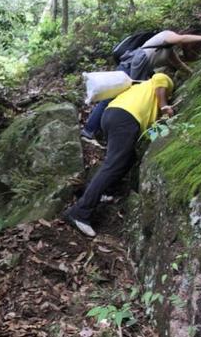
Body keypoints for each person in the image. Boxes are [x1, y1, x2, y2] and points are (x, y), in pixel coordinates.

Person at [62, 73, 175, 237]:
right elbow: (160, 80)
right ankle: (79, 213)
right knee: (113, 165)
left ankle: (105, 190)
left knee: (127, 159)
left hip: (112, 115)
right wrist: (165, 107)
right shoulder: (161, 80)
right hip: (126, 117)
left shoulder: (142, 92)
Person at [80, 29, 201, 141]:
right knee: (111, 98)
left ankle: (102, 132)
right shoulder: (166, 35)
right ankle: (89, 130)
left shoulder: (168, 50)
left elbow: (180, 65)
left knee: (121, 99)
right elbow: (181, 38)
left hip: (138, 67)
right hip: (133, 64)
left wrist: (196, 74)